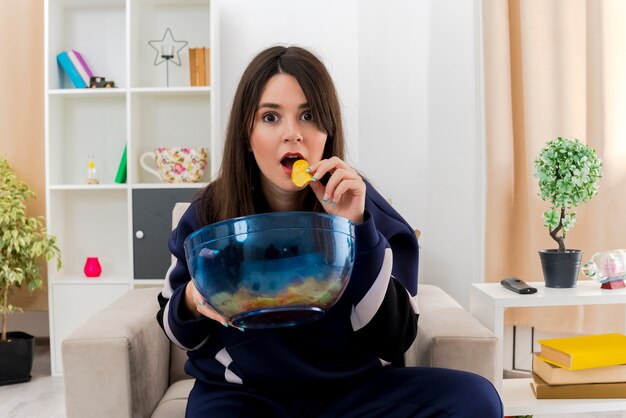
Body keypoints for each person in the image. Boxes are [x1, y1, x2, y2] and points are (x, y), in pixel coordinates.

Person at [157, 45, 503, 417]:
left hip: (351, 394)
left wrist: (357, 228)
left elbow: (395, 340)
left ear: (328, 130)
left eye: (308, 115)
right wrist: (193, 299)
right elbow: (176, 330)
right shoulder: (207, 216)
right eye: (271, 117)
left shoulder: (368, 211)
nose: (293, 134)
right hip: (243, 398)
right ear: (247, 132)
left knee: (476, 398)